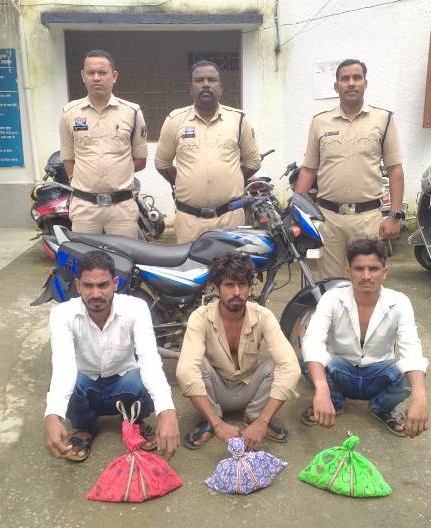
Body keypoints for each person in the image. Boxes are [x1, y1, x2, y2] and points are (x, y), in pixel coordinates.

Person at [44, 250, 179, 462]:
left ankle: (134, 421)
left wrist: (167, 411)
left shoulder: (136, 308)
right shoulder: (62, 314)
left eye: (103, 285)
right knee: (68, 383)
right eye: (88, 285)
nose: (96, 294)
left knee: (145, 377)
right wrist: (52, 415)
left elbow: (150, 360)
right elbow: (63, 366)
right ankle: (84, 428)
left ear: (115, 283)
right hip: (86, 385)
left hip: (124, 383)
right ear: (78, 285)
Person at [300, 238, 429, 438]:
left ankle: (381, 407)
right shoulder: (331, 298)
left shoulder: (400, 302)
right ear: (348, 272)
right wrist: (321, 389)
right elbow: (313, 341)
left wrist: (420, 397)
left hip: (379, 374)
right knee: (306, 358)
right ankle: (334, 401)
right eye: (359, 269)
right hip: (341, 370)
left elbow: (411, 348)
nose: (366, 276)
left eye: (373, 269)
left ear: (384, 272)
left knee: (411, 374)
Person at [176, 252, 300, 450]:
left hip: (249, 387)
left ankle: (255, 417)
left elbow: (291, 367)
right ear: (216, 288)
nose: (237, 292)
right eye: (229, 285)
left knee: (280, 365)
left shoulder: (263, 316)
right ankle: (211, 420)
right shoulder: (200, 317)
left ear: (249, 287)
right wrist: (219, 425)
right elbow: (185, 372)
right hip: (214, 389)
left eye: (242, 285)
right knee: (193, 365)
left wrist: (262, 421)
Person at [295, 59, 406, 278]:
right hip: (328, 219)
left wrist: (394, 216)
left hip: (368, 219)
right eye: (345, 79)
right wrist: (295, 212)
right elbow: (308, 170)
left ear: (366, 83)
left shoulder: (383, 119)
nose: (351, 83)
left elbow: (395, 170)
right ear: (336, 86)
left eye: (357, 77)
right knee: (331, 284)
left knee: (366, 282)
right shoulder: (320, 122)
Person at [155, 60, 261, 243]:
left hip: (230, 219)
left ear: (221, 87)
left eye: (212, 80)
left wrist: (232, 179)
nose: (205, 84)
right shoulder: (174, 120)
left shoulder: (239, 120)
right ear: (191, 88)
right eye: (199, 80)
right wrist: (184, 181)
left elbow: (253, 162)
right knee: (191, 262)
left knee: (232, 262)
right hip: (189, 220)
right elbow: (162, 163)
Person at [59, 49, 148, 237]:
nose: (96, 78)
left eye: (102, 72)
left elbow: (140, 159)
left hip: (122, 207)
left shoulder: (132, 112)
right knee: (85, 254)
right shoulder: (70, 113)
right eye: (91, 73)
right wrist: (85, 180)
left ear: (114, 76)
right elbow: (68, 157)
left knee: (124, 254)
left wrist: (117, 173)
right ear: (83, 76)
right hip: (85, 207)